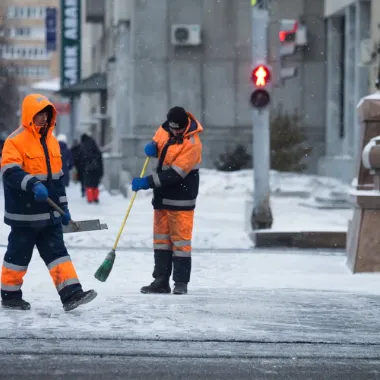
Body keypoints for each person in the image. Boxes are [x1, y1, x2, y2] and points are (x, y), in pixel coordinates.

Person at [0, 94, 97, 311]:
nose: (43, 120)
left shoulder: (52, 142)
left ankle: (71, 293)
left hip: (50, 215)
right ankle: (10, 294)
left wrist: (64, 208)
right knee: (18, 256)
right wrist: (32, 184)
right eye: (39, 116)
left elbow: (57, 180)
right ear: (29, 117)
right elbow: (10, 172)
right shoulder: (15, 141)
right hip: (24, 215)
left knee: (58, 254)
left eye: (46, 116)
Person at [131, 106, 203, 295]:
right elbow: (160, 146)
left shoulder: (193, 143)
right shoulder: (164, 130)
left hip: (182, 197)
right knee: (161, 241)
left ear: (185, 125)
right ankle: (160, 280)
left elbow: (175, 175)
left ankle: (180, 282)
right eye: (173, 128)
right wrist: (153, 148)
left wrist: (147, 182)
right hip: (162, 197)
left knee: (180, 243)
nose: (175, 132)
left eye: (179, 129)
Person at [81, 133, 103, 204]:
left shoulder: (84, 146)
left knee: (89, 184)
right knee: (95, 184)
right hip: (96, 168)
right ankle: (95, 198)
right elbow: (99, 157)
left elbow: (83, 158)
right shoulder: (94, 144)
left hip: (88, 168)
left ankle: (90, 199)